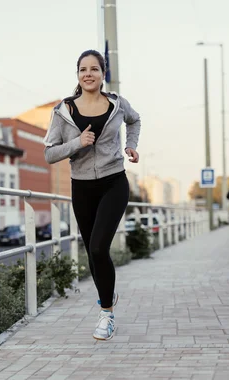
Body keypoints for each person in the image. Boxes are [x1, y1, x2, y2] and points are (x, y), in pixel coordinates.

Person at [43, 49, 141, 341]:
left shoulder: (117, 103)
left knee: (99, 248)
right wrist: (76, 143)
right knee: (93, 253)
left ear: (102, 74)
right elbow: (49, 154)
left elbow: (135, 121)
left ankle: (106, 315)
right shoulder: (64, 110)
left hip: (114, 182)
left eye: (94, 69)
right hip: (82, 187)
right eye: (83, 69)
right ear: (78, 75)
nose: (89, 74)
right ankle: (108, 294)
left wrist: (131, 145)